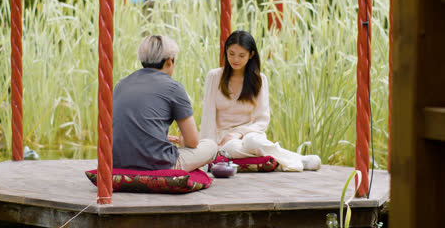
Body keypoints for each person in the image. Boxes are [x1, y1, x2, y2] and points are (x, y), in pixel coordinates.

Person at [200, 30, 321, 172]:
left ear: (251, 55)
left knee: (253, 141)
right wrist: (207, 149)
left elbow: (262, 120)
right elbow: (207, 116)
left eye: (241, 55)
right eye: (231, 53)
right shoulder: (214, 76)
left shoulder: (259, 79)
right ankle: (297, 159)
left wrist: (239, 133)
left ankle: (290, 159)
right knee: (234, 147)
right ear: (226, 51)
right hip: (224, 139)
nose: (235, 59)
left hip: (250, 133)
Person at [112, 35, 217, 172]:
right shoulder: (173, 87)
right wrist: (183, 142)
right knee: (211, 145)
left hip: (118, 162)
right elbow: (192, 142)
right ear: (169, 61)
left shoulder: (121, 84)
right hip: (159, 165)